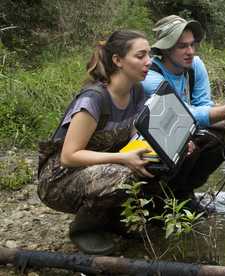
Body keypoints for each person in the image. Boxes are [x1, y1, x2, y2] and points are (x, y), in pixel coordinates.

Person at [37, 30, 155, 255]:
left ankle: (111, 220)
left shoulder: (137, 91)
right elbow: (69, 156)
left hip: (98, 170)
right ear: (118, 60)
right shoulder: (94, 99)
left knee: (152, 164)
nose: (148, 62)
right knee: (123, 174)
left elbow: (133, 138)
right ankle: (84, 229)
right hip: (58, 180)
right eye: (140, 56)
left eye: (149, 55)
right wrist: (122, 158)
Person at [141, 15, 225, 208]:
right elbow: (179, 115)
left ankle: (184, 193)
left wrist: (223, 120)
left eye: (192, 45)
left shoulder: (195, 66)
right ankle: (159, 198)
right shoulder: (150, 76)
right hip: (154, 141)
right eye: (182, 46)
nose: (190, 52)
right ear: (165, 49)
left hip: (183, 131)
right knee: (187, 143)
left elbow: (203, 106)